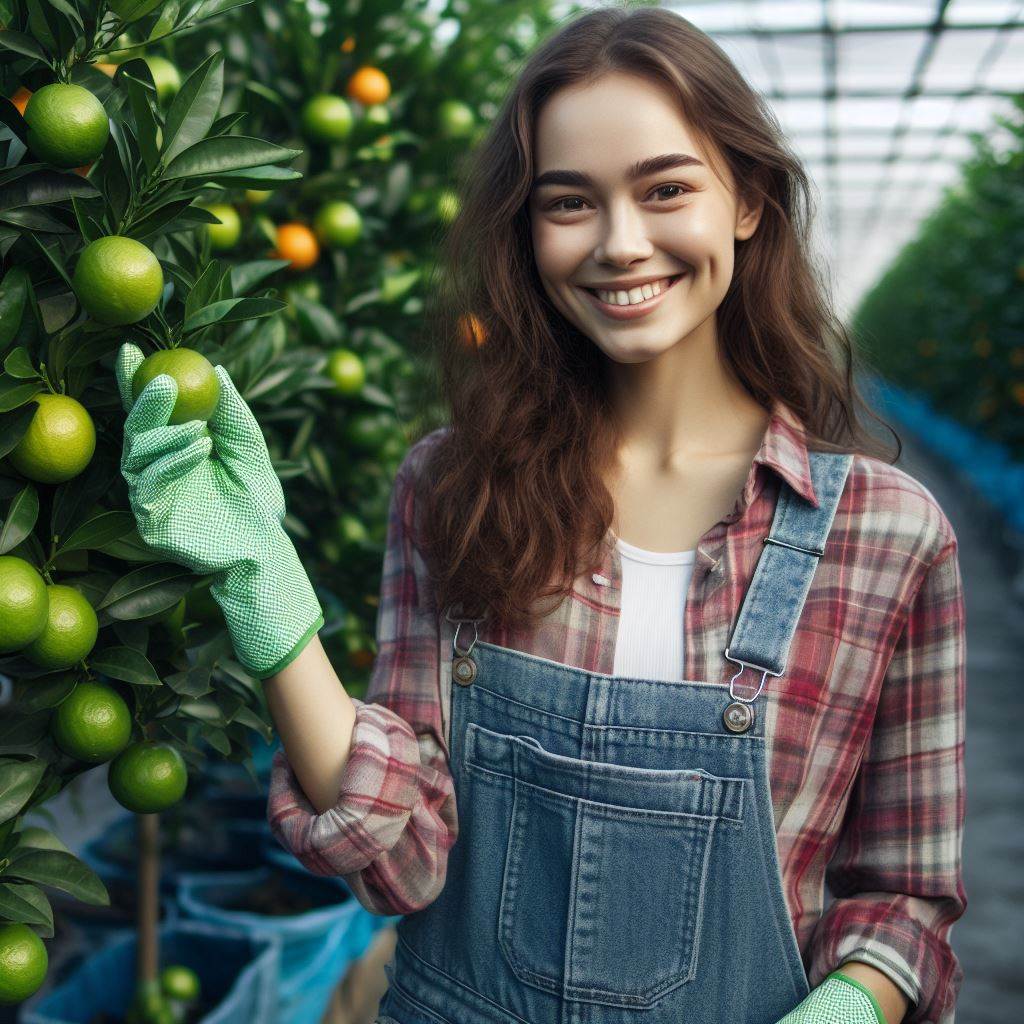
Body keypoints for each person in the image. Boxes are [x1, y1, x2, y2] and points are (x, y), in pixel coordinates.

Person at [115, 7, 966, 1024]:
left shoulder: (886, 536)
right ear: (526, 230)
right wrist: (267, 598)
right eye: (569, 203)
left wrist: (849, 1006)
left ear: (744, 198)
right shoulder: (456, 488)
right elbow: (406, 857)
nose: (619, 243)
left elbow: (902, 893)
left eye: (664, 190)